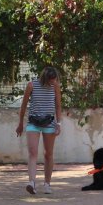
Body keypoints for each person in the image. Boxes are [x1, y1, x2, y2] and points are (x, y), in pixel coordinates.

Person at [16, 66, 62, 195]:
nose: (53, 82)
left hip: (49, 123)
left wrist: (58, 123)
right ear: (45, 78)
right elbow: (24, 105)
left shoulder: (56, 86)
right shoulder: (32, 85)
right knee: (33, 152)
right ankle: (31, 182)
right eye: (50, 80)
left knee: (48, 154)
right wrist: (20, 123)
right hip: (33, 123)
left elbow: (58, 106)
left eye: (54, 80)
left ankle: (47, 184)